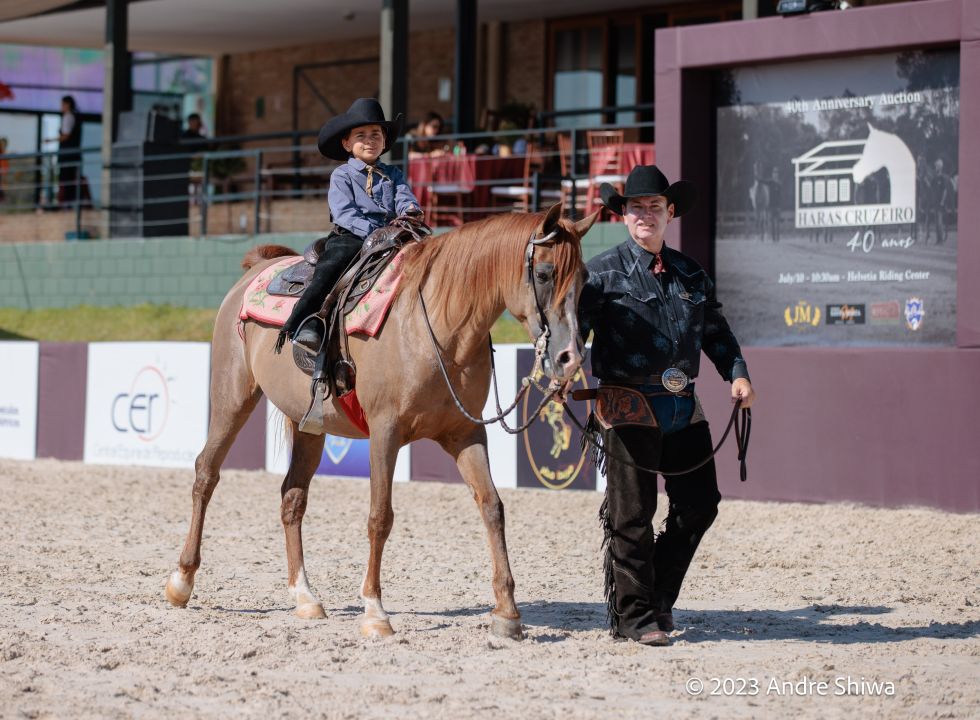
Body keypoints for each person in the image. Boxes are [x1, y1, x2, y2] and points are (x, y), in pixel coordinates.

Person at [577, 165, 756, 647]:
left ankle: (656, 596)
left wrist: (737, 373)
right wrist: (562, 370)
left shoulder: (692, 273)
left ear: (670, 212)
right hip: (626, 403)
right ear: (623, 215)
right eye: (636, 207)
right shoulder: (599, 274)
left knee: (700, 504)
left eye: (655, 206)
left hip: (682, 404)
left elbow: (715, 331)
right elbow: (573, 333)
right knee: (632, 515)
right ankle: (634, 616)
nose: (646, 214)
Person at [278, 97, 422, 352]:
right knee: (332, 266)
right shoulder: (342, 175)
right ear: (346, 143)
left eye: (376, 134)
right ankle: (309, 321)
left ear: (384, 141)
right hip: (352, 236)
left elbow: (404, 198)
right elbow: (344, 214)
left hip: (392, 235)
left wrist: (410, 211)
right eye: (361, 135)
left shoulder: (394, 174)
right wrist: (375, 233)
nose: (369, 140)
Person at [55, 95, 82, 207]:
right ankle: (67, 203)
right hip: (71, 154)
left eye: (62, 104)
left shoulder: (68, 116)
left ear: (67, 104)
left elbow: (66, 135)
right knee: (69, 179)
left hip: (68, 155)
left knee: (66, 179)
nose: (61, 107)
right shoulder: (72, 116)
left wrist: (51, 140)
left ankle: (65, 204)